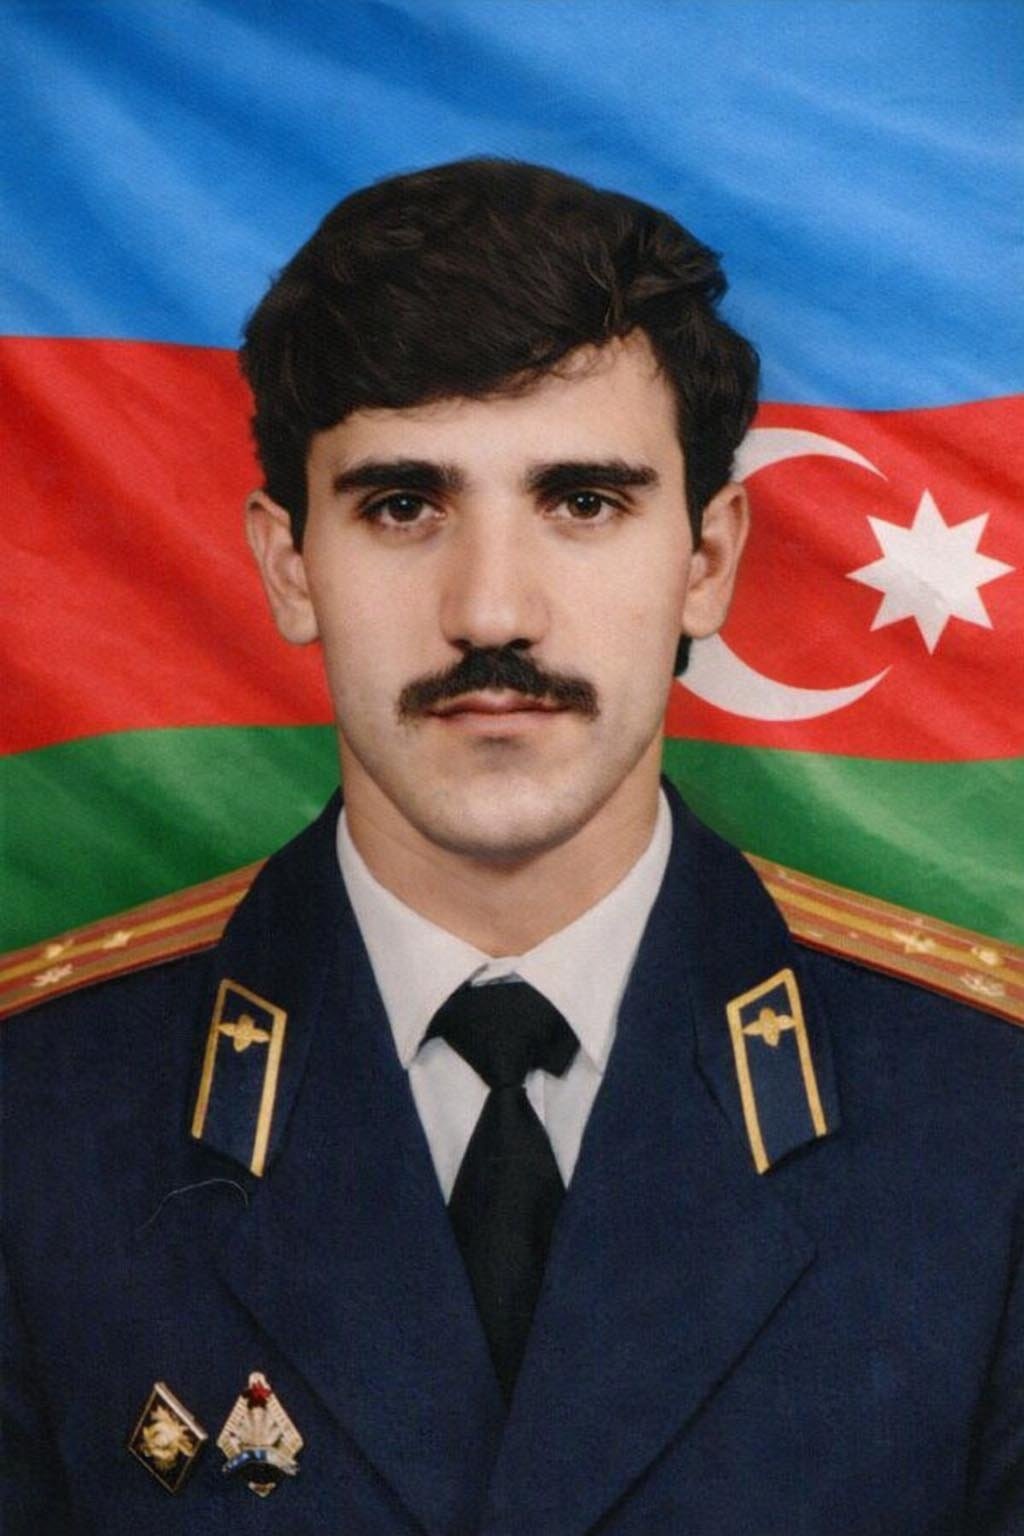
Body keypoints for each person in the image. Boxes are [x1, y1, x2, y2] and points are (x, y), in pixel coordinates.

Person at [2, 159, 1021, 1534]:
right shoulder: (37, 1124)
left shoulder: (988, 1126)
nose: (492, 612)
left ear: (707, 560)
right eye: (402, 506)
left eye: (583, 502)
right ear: (291, 566)